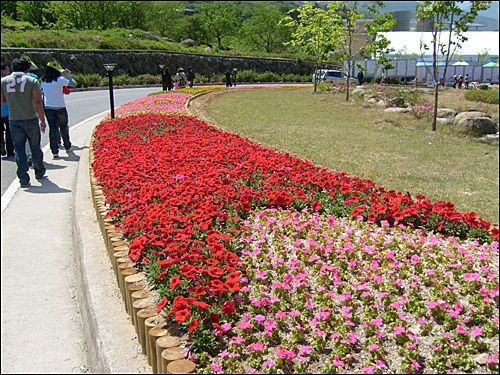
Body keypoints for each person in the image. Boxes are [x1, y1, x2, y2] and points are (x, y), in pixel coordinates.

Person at [1, 57, 47, 187]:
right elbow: (38, 101)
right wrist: (42, 119)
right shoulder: (31, 80)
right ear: (27, 68)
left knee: (19, 149)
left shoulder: (3, 81)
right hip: (30, 117)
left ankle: (23, 177)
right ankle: (39, 171)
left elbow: (2, 100)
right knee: (35, 147)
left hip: (14, 119)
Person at [41, 60, 77, 159]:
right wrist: (66, 75)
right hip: (60, 106)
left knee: (53, 128)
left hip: (48, 107)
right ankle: (67, 146)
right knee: (63, 127)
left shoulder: (43, 80)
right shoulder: (60, 79)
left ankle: (54, 151)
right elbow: (73, 84)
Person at [1, 64, 14, 157]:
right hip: (8, 109)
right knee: (10, 131)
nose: (9, 72)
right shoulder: (7, 81)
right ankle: (10, 150)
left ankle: (1, 147)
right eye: (7, 70)